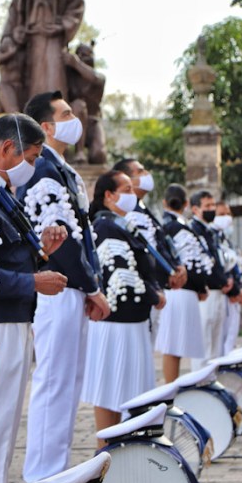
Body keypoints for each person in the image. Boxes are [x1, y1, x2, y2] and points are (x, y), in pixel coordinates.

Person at [0, 113, 68, 483]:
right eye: (32, 157)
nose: (33, 167)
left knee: (3, 427)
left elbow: (6, 254)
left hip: (13, 319)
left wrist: (42, 252)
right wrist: (31, 282)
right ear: (7, 148)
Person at [17, 90, 109, 483]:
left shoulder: (61, 168)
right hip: (56, 288)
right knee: (54, 382)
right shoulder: (42, 169)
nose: (76, 120)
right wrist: (92, 287)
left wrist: (89, 285)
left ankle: (55, 469)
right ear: (46, 127)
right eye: (66, 114)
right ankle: (43, 474)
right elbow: (61, 239)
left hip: (71, 289)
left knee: (68, 383)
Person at [82, 170, 165, 447]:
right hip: (116, 325)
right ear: (109, 195)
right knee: (110, 392)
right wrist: (152, 295)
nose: (133, 194)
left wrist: (155, 289)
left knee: (128, 392)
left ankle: (122, 454)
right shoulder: (106, 226)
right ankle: (106, 455)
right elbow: (120, 274)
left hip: (132, 323)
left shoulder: (122, 224)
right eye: (127, 189)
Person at [113, 157, 188, 343]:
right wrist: (166, 275)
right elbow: (143, 253)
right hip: (144, 289)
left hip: (155, 287)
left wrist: (175, 267)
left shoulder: (142, 209)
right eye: (140, 171)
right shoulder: (127, 213)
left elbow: (159, 244)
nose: (146, 174)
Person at [156, 184, 210, 383]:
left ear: (165, 203)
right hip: (179, 289)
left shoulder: (169, 225)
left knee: (175, 346)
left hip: (181, 290)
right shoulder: (178, 227)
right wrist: (201, 287)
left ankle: (172, 386)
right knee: (173, 346)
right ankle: (170, 387)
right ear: (186, 204)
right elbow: (191, 263)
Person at [188, 190, 234, 370]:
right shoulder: (194, 230)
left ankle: (211, 378)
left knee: (215, 344)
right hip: (206, 292)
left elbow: (217, 260)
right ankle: (200, 379)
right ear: (195, 209)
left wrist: (225, 280)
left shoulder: (210, 231)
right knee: (204, 343)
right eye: (207, 206)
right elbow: (201, 262)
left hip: (218, 291)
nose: (211, 209)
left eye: (213, 205)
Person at [211, 201, 242, 355]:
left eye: (228, 214)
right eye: (221, 214)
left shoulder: (228, 241)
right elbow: (218, 267)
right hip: (224, 295)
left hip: (235, 297)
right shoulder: (212, 239)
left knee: (231, 338)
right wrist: (234, 290)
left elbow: (237, 266)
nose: (226, 218)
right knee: (219, 342)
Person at [64, 43, 106, 164]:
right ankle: (79, 152)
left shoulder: (99, 77)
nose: (82, 57)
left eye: (86, 55)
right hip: (73, 120)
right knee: (78, 105)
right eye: (79, 54)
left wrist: (76, 63)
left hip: (92, 122)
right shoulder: (70, 77)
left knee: (98, 155)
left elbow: (95, 78)